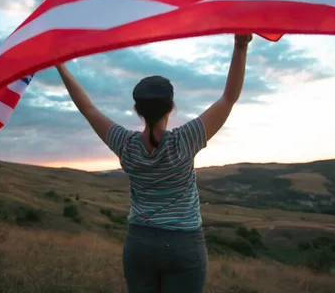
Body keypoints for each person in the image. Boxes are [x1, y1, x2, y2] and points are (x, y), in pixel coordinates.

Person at [55, 34, 253, 293]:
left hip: (139, 243)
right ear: (171, 107)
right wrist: (240, 47)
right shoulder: (184, 141)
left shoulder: (125, 145)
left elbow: (88, 109)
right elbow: (229, 98)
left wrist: (60, 65)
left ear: (137, 110)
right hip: (184, 245)